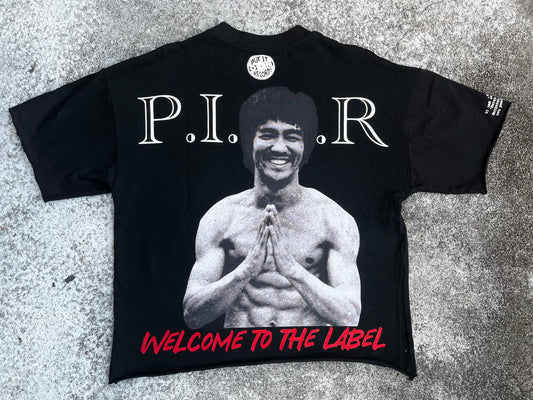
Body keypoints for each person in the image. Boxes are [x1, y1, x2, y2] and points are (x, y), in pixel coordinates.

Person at [183, 87, 361, 328]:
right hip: (241, 350)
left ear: (305, 146)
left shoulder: (332, 218)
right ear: (250, 142)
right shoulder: (222, 217)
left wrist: (292, 269)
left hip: (306, 350)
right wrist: (246, 270)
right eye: (267, 135)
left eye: (292, 137)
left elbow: (349, 317)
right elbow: (192, 315)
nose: (279, 148)